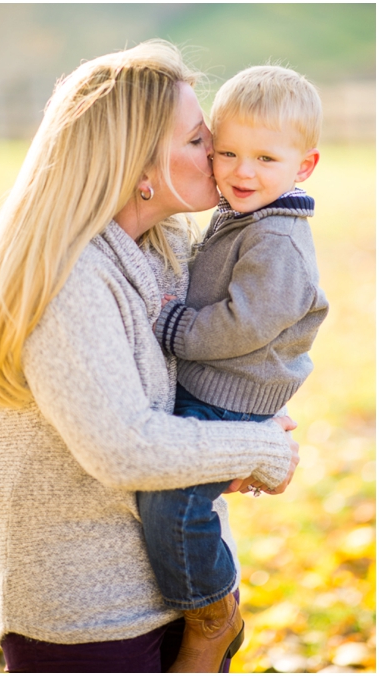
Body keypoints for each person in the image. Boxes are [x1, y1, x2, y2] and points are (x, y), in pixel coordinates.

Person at [0, 40, 300, 673]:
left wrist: (230, 436)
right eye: (198, 139)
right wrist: (260, 446)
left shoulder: (156, 244)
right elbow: (124, 447)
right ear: (136, 162)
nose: (218, 149)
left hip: (175, 592)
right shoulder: (67, 276)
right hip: (92, 621)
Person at [143, 65, 328, 672]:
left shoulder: (278, 239)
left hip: (231, 396)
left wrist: (175, 329)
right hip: (214, 384)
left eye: (265, 159)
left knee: (178, 505)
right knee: (171, 494)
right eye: (227, 153)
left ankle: (212, 608)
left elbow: (244, 322)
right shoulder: (247, 214)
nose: (242, 172)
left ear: (304, 166)